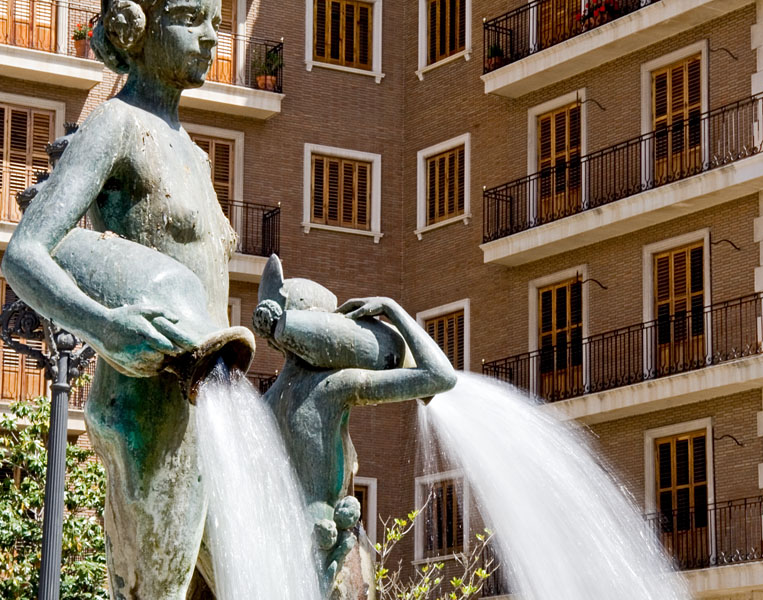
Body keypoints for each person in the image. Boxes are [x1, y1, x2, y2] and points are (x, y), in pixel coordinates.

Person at [2, 0, 234, 597]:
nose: (213, 37)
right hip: (148, 415)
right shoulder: (115, 125)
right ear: (138, 28)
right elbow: (24, 254)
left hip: (205, 414)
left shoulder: (197, 154)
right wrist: (105, 327)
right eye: (191, 18)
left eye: (216, 21)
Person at [253, 255, 457, 596]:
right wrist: (392, 310)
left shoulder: (261, 407)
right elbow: (441, 376)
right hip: (328, 556)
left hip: (271, 553)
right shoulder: (335, 387)